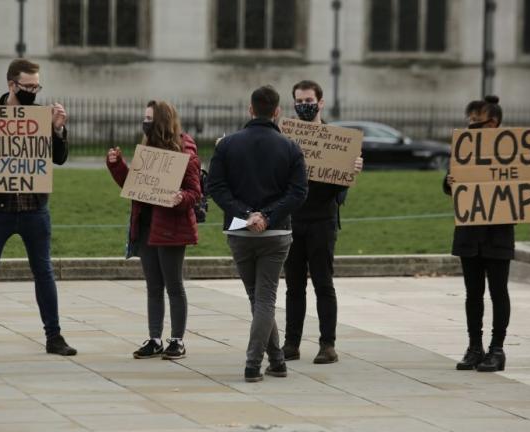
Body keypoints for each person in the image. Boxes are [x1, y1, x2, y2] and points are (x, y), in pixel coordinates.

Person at [0, 58, 76, 358]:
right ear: (11, 85)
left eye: (37, 86)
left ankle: (54, 337)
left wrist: (58, 130)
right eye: (28, 86)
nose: (34, 91)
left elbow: (59, 159)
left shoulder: (40, 118)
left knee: (44, 271)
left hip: (34, 209)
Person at [444, 95, 530, 372]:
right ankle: (475, 347)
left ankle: (497, 349)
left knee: (498, 291)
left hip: (498, 234)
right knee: (472, 293)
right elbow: (450, 184)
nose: (470, 125)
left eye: (475, 121)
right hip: (469, 234)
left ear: (493, 123)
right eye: (469, 120)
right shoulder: (463, 149)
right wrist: (450, 180)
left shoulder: (516, 151)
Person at [208, 85, 308, 382]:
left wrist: (245, 214)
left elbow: (216, 188)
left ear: (250, 109)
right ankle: (271, 361)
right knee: (263, 299)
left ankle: (259, 362)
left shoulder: (226, 146)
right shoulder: (291, 147)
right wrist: (268, 215)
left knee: (258, 298)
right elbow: (298, 192)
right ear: (277, 112)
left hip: (240, 231)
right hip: (276, 232)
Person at [106, 100, 202, 360]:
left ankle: (177, 339)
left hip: (171, 228)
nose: (144, 122)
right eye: (144, 117)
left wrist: (180, 198)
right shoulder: (147, 151)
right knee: (153, 285)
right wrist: (117, 165)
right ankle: (154, 337)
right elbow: (134, 185)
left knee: (173, 285)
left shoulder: (185, 152)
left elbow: (195, 193)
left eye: (149, 118)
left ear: (160, 121)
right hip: (147, 225)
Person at [281, 80, 364, 364]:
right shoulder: (287, 138)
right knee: (293, 286)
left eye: (308, 100)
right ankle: (291, 343)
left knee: (323, 284)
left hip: (322, 221)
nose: (304, 105)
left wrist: (351, 170)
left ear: (321, 102)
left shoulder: (336, 141)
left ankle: (327, 344)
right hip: (293, 220)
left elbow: (340, 192)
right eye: (299, 101)